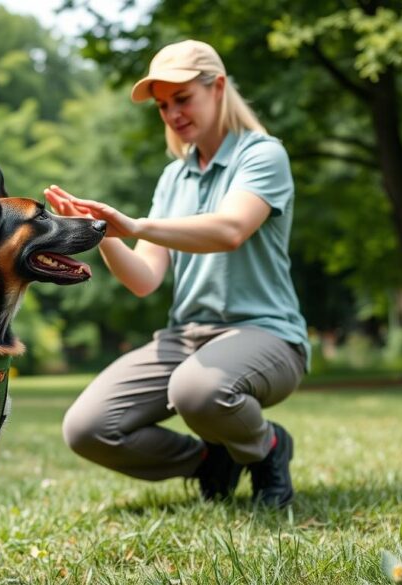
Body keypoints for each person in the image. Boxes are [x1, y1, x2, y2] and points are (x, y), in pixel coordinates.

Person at [45, 40, 309, 508]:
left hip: (266, 336)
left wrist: (138, 225)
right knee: (87, 429)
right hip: (186, 337)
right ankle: (211, 462)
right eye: (164, 106)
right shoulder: (174, 177)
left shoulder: (263, 155)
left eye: (182, 98)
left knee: (197, 390)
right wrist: (102, 232)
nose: (172, 114)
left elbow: (230, 230)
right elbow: (145, 276)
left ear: (219, 87)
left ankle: (266, 447)